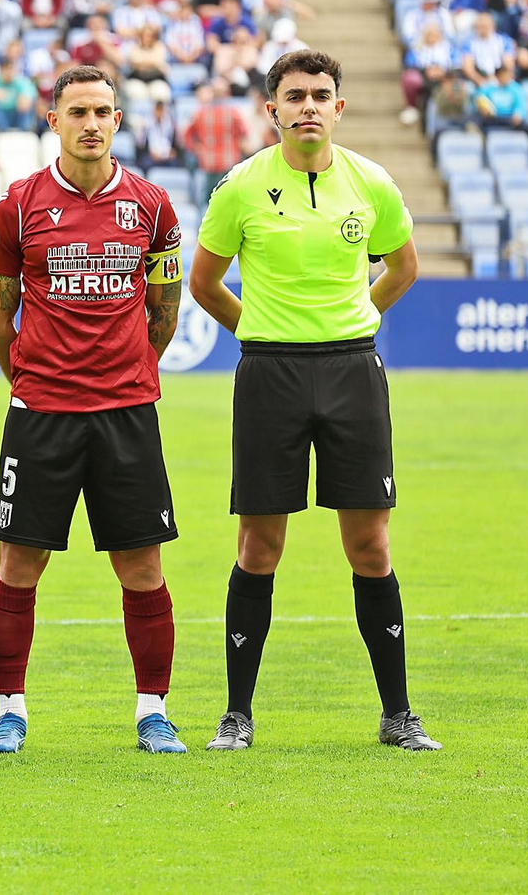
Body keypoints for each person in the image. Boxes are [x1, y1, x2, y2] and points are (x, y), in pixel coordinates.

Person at [188, 49, 439, 752]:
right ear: (271, 109)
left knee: (370, 544)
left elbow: (404, 266)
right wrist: (260, 330)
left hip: (352, 370)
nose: (308, 107)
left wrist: (355, 318)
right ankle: (237, 715)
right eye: (294, 96)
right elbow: (204, 283)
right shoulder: (240, 187)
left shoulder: (371, 182)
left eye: (320, 95)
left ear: (338, 106)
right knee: (259, 544)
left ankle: (398, 715)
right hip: (269, 374)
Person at [0, 65, 187, 755]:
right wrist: (32, 379)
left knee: (142, 568)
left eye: (102, 111)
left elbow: (164, 312)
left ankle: (153, 712)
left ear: (118, 120)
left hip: (127, 412)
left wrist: (131, 370)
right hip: (41, 413)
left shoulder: (154, 207)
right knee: (18, 564)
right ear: (54, 121)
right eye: (78, 112)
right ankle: (9, 711)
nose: (91, 123)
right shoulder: (15, 207)